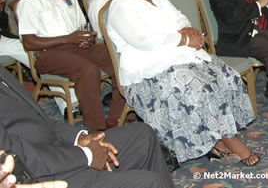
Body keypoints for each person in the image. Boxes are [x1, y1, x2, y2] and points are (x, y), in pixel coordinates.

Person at [106, 0, 259, 165]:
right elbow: (145, 39)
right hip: (147, 72)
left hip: (176, 58)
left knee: (225, 76)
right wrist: (185, 40)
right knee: (198, 88)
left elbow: (180, 19)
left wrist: (189, 31)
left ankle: (213, 139)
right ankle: (230, 140)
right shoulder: (121, 6)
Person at [0, 66, 174, 188]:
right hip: (40, 175)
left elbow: (42, 120)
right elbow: (15, 157)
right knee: (150, 182)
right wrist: (88, 155)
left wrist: (81, 137)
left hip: (55, 149)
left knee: (142, 135)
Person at [17, 0, 125, 130]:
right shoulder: (31, 0)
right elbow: (28, 42)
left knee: (118, 56)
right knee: (88, 70)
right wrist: (69, 39)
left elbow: (81, 27)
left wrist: (86, 39)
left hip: (77, 47)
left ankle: (116, 117)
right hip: (49, 54)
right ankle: (96, 128)